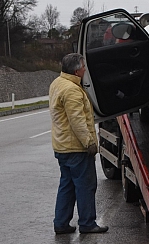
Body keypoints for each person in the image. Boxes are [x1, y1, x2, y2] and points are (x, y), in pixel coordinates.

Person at [49, 53, 109, 235]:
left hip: (62, 146)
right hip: (76, 147)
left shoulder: (57, 83)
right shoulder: (72, 90)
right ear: (76, 70)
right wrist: (89, 143)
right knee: (85, 186)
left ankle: (61, 223)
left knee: (67, 185)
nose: (85, 70)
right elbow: (77, 121)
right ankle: (87, 223)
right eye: (83, 67)